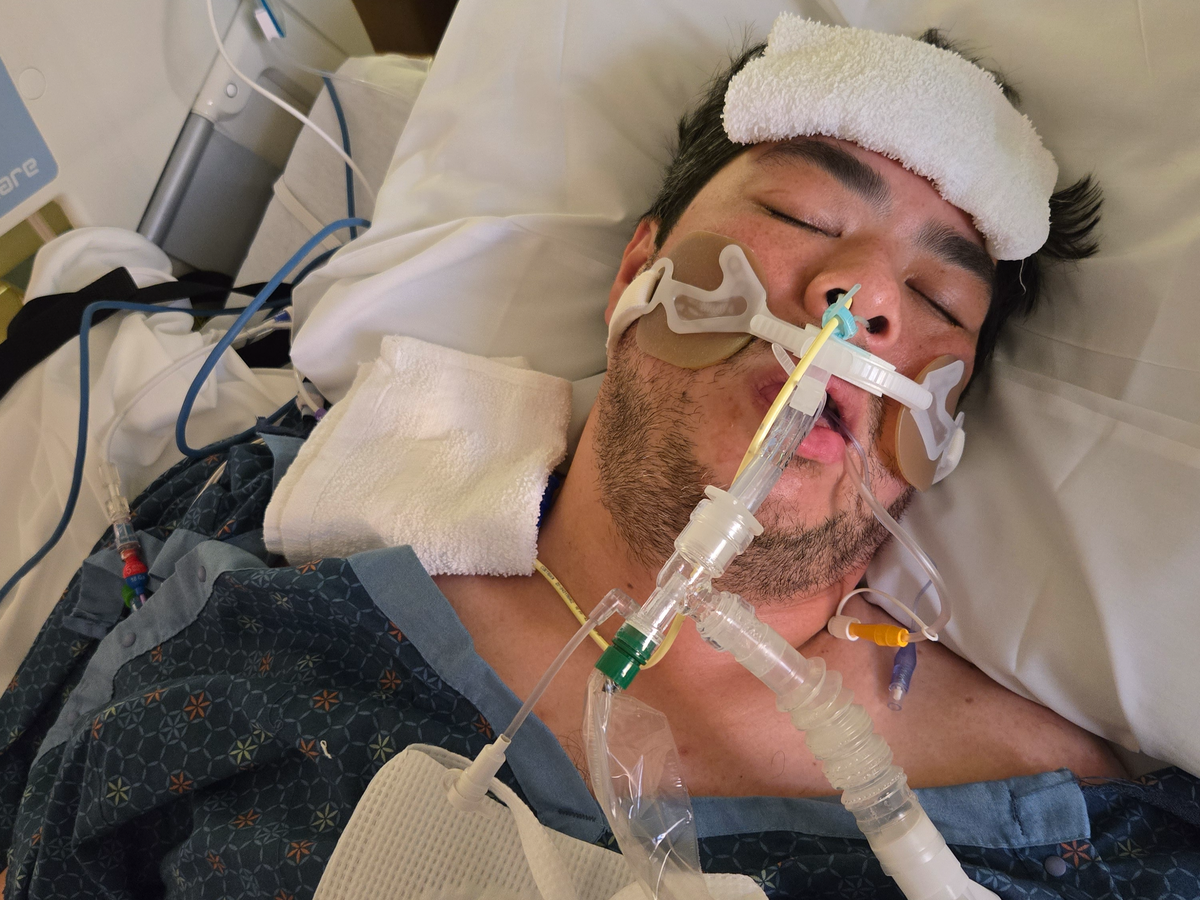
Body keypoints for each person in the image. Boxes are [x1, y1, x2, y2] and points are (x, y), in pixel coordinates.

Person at [3, 18, 1198, 900]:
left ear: (936, 436)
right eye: (802, 219)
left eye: (937, 298)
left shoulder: (1072, 832)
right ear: (638, 274)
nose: (862, 300)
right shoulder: (272, 600)